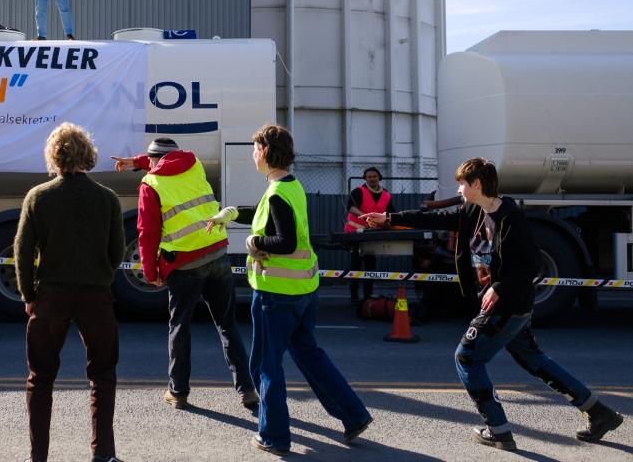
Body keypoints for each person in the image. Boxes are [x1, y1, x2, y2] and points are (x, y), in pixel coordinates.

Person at [362, 157, 624, 450]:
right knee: (535, 360)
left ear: (477, 184)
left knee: (467, 359)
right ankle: (600, 413)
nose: (459, 189)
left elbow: (531, 264)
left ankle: (498, 430)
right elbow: (441, 220)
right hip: (506, 305)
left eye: (462, 183)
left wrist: (498, 287)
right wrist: (390, 218)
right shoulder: (475, 210)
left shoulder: (510, 217)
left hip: (507, 306)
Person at [209, 124, 372, 455]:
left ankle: (274, 436)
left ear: (266, 152)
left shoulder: (277, 193)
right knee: (309, 354)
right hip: (302, 291)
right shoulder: (289, 185)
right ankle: (354, 415)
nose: (252, 154)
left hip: (276, 295)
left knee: (265, 367)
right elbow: (271, 218)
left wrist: (254, 242)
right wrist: (233, 214)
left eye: (255, 148)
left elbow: (284, 240)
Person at [112, 138, 257, 410]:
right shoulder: (195, 164)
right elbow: (165, 163)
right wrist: (139, 162)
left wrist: (150, 271)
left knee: (180, 326)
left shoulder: (150, 185)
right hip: (216, 253)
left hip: (184, 264)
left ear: (154, 160)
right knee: (227, 325)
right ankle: (247, 389)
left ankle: (178, 392)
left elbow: (148, 233)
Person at [15, 123, 125, 462]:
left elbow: (22, 249)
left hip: (51, 296)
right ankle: (102, 452)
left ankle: (39, 456)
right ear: (86, 155)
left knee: (40, 377)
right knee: (102, 374)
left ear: (54, 156)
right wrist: (102, 276)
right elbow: (117, 250)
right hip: (96, 295)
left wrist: (28, 295)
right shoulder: (107, 198)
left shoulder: (38, 196)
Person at [343, 167, 395, 304]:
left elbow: (390, 213)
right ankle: (354, 296)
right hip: (356, 232)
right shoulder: (358, 191)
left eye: (374, 176)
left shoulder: (386, 195)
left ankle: (368, 296)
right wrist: (366, 217)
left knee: (370, 265)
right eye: (369, 177)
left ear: (379, 178)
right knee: (356, 265)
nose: (372, 179)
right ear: (365, 179)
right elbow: (351, 207)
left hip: (373, 234)